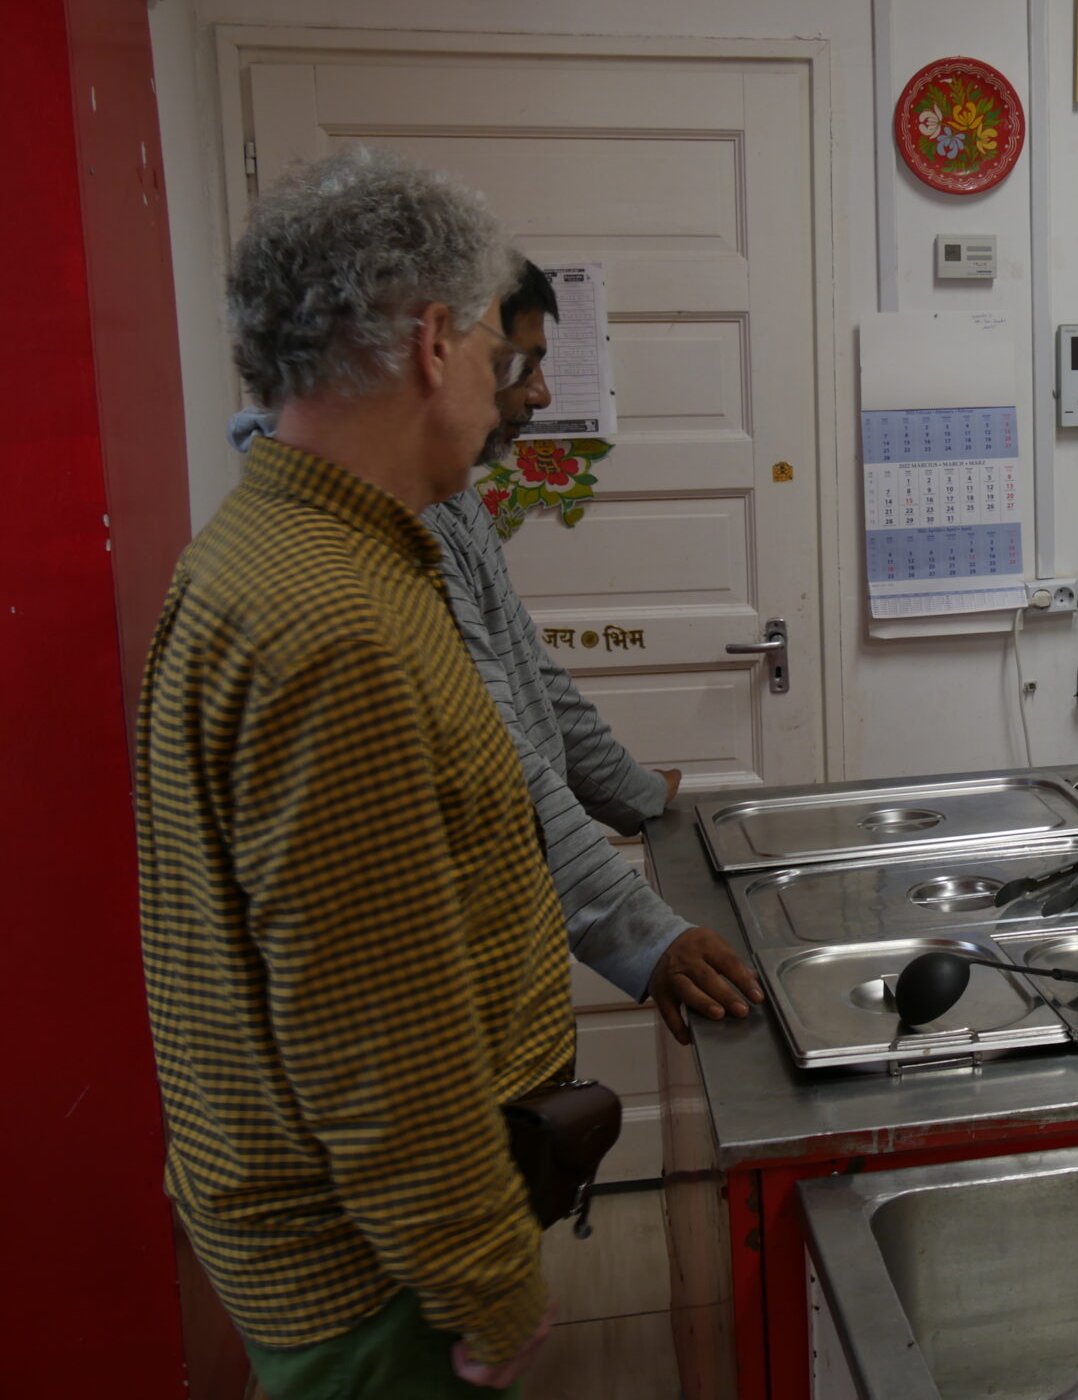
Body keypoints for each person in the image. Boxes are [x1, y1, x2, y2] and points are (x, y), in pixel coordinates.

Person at [137, 149, 570, 1395]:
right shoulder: (334, 618)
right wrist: (489, 1278)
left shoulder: (281, 547)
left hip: (346, 1244)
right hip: (380, 1280)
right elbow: (378, 1039)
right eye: (492, 352)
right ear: (431, 343)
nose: (504, 390)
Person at [232, 261, 764, 1037]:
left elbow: (525, 670)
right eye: (510, 363)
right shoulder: (344, 567)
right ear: (428, 351)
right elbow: (494, 758)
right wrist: (647, 938)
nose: (537, 395)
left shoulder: (433, 503)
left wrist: (634, 792)